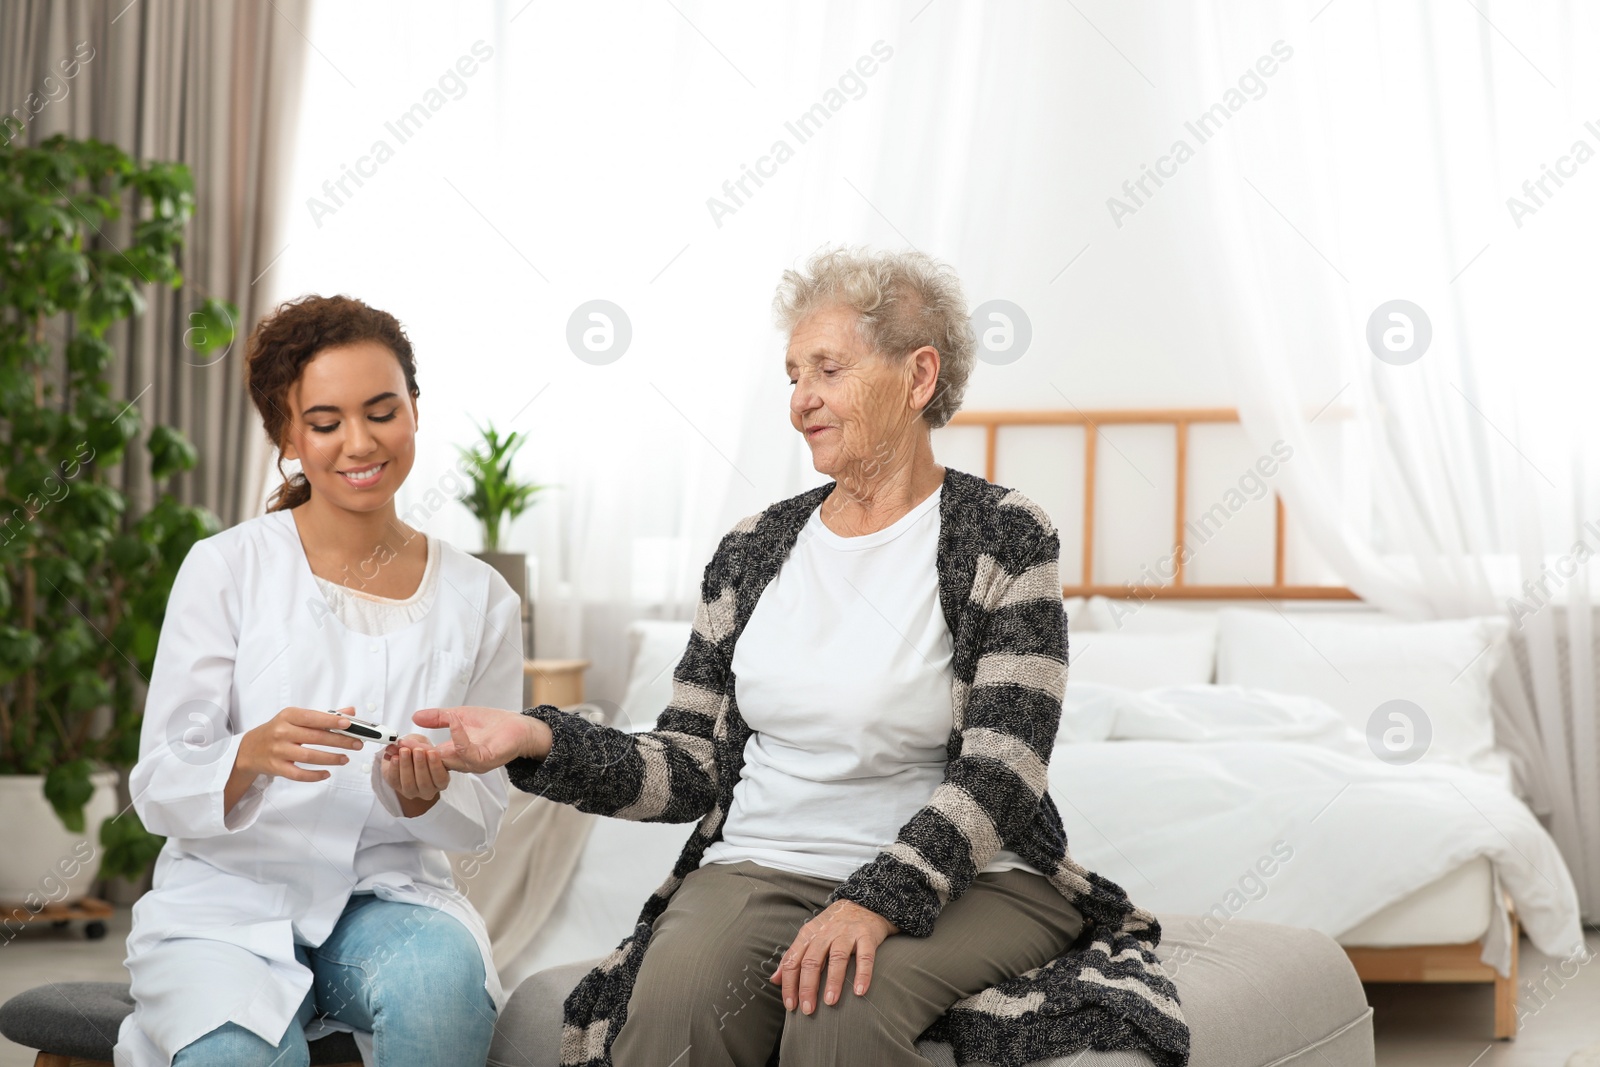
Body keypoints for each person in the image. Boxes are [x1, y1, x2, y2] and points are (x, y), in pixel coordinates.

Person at [413, 248, 1190, 1066]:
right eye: (792, 374)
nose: (800, 401)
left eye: (827, 369)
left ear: (919, 376)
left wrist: (875, 902)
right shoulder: (752, 550)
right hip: (763, 864)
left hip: (974, 878)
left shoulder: (1004, 536)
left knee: (840, 1013)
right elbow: (688, 764)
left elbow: (1004, 770)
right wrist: (537, 739)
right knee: (673, 1011)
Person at [113, 295, 521, 1067]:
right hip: (225, 909)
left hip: (384, 898)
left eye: (382, 411)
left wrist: (424, 795)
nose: (360, 443)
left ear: (414, 410)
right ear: (287, 436)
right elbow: (158, 782)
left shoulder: (482, 600)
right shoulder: (226, 568)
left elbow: (484, 817)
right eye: (327, 423)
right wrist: (247, 753)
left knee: (441, 992)